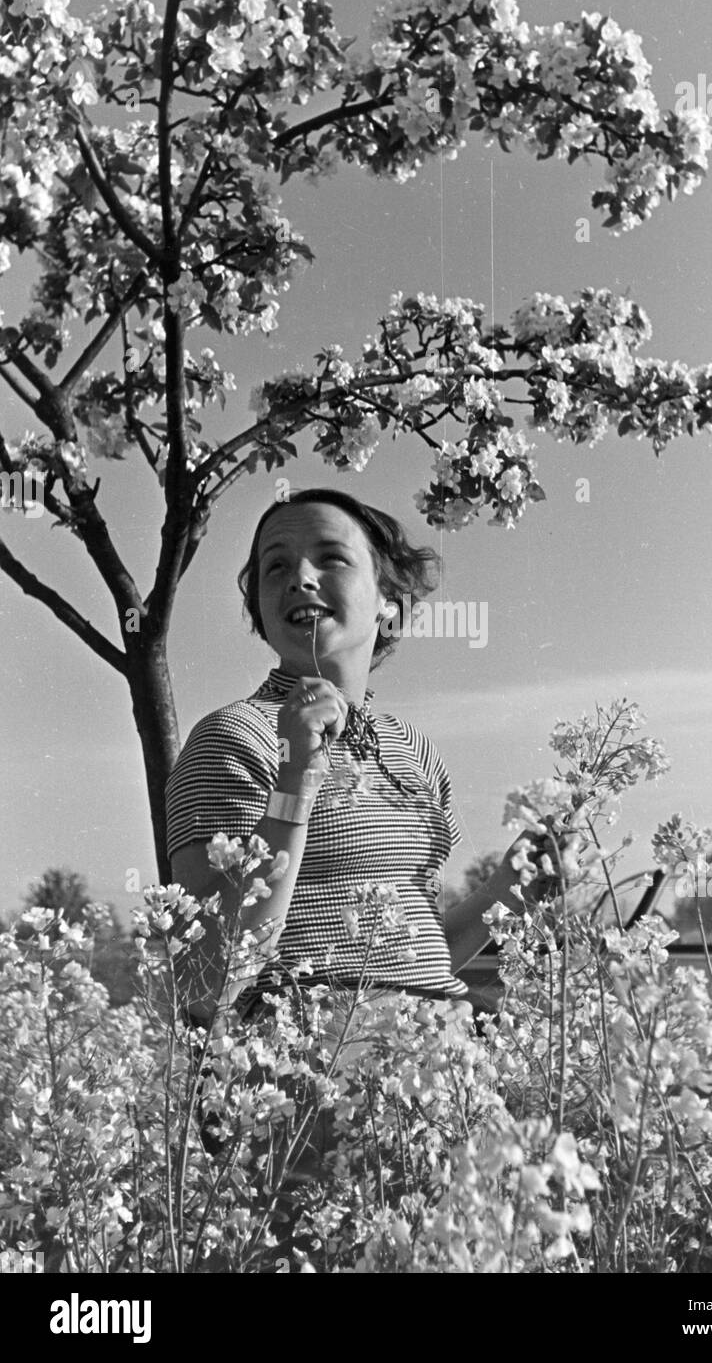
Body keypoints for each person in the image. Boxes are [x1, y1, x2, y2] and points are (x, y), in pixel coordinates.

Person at [164, 488, 556, 1172]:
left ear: (388, 602)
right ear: (260, 608)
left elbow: (411, 947)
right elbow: (209, 974)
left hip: (441, 1085)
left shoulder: (415, 751)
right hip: (303, 1096)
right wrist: (295, 780)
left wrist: (509, 891)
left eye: (330, 558)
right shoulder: (232, 739)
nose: (300, 578)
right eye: (275, 566)